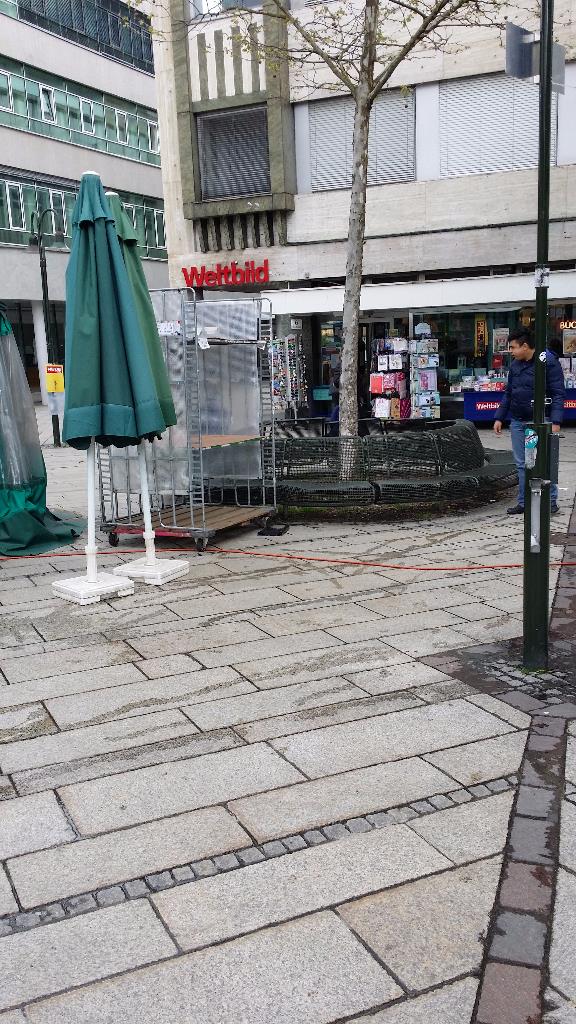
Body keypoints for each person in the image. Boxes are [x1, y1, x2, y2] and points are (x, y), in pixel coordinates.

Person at [494, 328, 564, 515]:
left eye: (513, 347)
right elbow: (509, 392)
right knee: (523, 463)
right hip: (518, 420)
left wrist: (555, 421)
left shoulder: (547, 362)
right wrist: (499, 417)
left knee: (543, 461)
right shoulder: (516, 365)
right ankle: (524, 502)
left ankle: (550, 501)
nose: (511, 351)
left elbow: (558, 393)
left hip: (540, 421)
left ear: (525, 346)